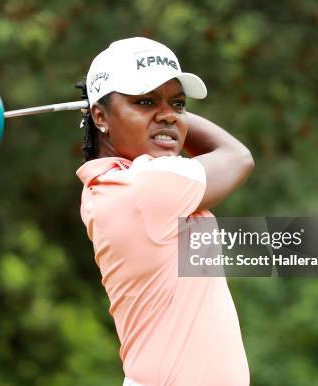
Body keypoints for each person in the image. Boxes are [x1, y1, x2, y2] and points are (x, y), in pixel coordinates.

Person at [76, 37, 254, 386]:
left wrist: (158, 113)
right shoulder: (149, 183)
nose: (169, 114)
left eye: (178, 102)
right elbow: (237, 156)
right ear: (100, 116)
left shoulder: (107, 183)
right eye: (144, 100)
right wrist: (169, 115)